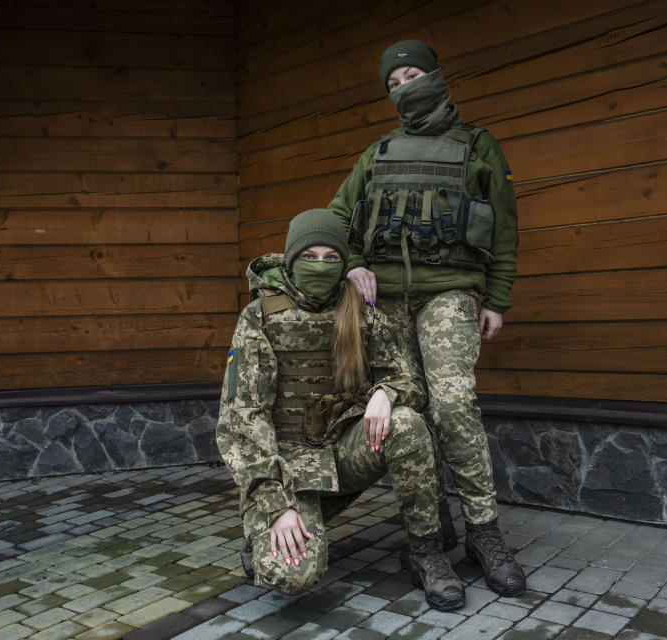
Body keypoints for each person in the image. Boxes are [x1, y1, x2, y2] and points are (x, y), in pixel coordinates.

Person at [328, 40, 525, 596]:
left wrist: (497, 300)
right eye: (392, 83)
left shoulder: (478, 147)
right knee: (409, 412)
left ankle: (483, 533)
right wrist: (356, 264)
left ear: (435, 77)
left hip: (450, 294)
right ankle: (430, 528)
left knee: (453, 403)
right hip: (385, 302)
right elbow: (337, 218)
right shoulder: (378, 153)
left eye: (411, 75)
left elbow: (505, 230)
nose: (402, 87)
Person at [216, 208, 465, 610]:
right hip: (290, 469)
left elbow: (411, 381)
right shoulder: (259, 318)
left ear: (344, 263)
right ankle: (269, 526)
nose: (320, 266)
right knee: (292, 576)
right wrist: (278, 507)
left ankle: (427, 552)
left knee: (407, 424)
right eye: (309, 256)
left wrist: (387, 393)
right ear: (292, 258)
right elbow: (242, 421)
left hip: (343, 452)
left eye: (331, 258)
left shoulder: (361, 310)